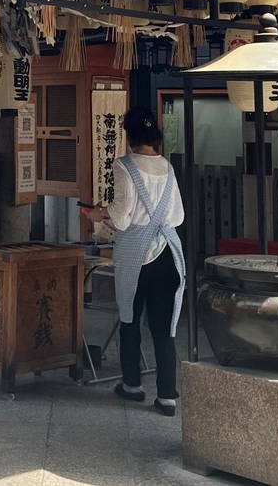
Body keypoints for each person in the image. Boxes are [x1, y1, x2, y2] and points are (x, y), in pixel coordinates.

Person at [87, 106, 185, 415]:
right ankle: (167, 394)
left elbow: (123, 215)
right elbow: (177, 216)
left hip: (137, 255)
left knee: (130, 317)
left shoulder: (124, 165)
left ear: (129, 136)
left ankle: (132, 384)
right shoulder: (167, 168)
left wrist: (98, 213)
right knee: (164, 326)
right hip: (169, 253)